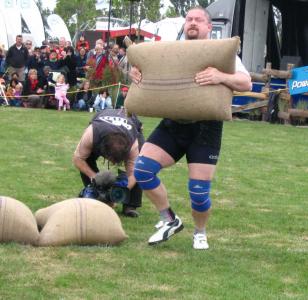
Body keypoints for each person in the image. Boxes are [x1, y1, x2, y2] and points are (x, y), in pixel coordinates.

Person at [130, 7, 252, 250]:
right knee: (143, 170)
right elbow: (145, 71)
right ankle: (169, 219)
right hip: (172, 124)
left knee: (198, 193)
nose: (192, 23)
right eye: (189, 19)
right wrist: (136, 74)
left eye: (198, 20)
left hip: (205, 130)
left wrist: (220, 76)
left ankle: (200, 232)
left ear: (209, 27)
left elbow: (246, 82)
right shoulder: (170, 51)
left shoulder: (221, 54)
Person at [72, 109, 144, 217]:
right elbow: (78, 159)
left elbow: (134, 173)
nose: (113, 162)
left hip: (132, 129)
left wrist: (119, 192)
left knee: (141, 166)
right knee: (86, 159)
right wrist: (94, 177)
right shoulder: (91, 134)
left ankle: (130, 205)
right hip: (101, 129)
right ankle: (94, 192)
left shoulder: (133, 144)